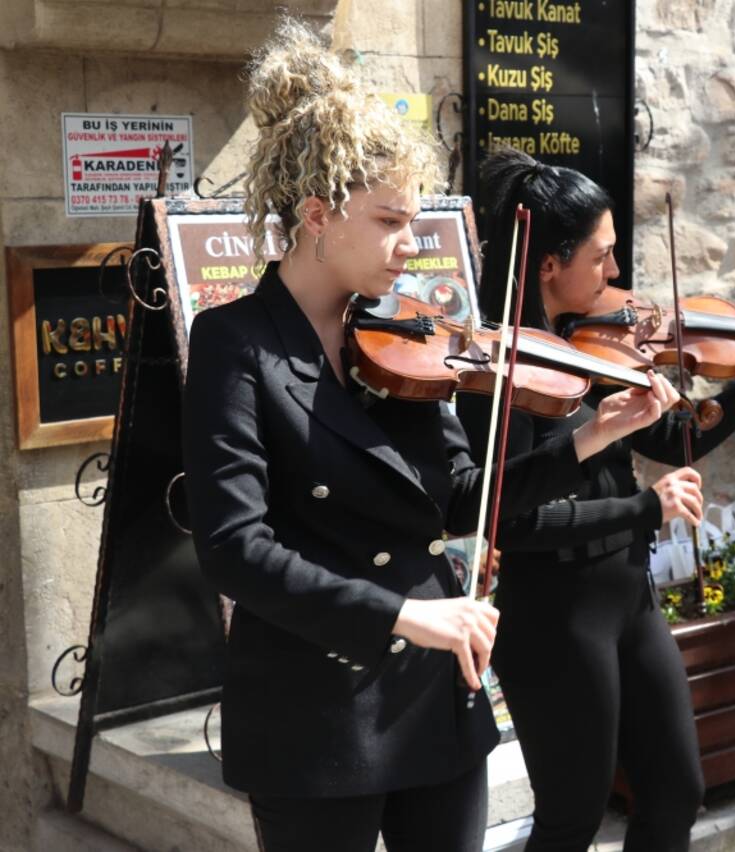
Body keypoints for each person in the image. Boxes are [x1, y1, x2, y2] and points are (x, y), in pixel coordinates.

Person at [181, 21, 680, 852]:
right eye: (390, 222)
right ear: (317, 214)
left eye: (414, 221)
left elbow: (461, 495)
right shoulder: (237, 346)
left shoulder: (401, 338)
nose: (411, 245)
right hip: (316, 709)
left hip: (430, 699)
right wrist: (407, 615)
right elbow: (236, 551)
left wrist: (592, 436)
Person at [456, 147, 735, 851]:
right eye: (601, 257)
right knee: (572, 815)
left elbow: (677, 437)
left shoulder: (594, 346)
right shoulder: (498, 370)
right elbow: (519, 519)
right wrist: (645, 510)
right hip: (554, 619)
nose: (616, 275)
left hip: (627, 598)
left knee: (675, 791)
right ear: (548, 265)